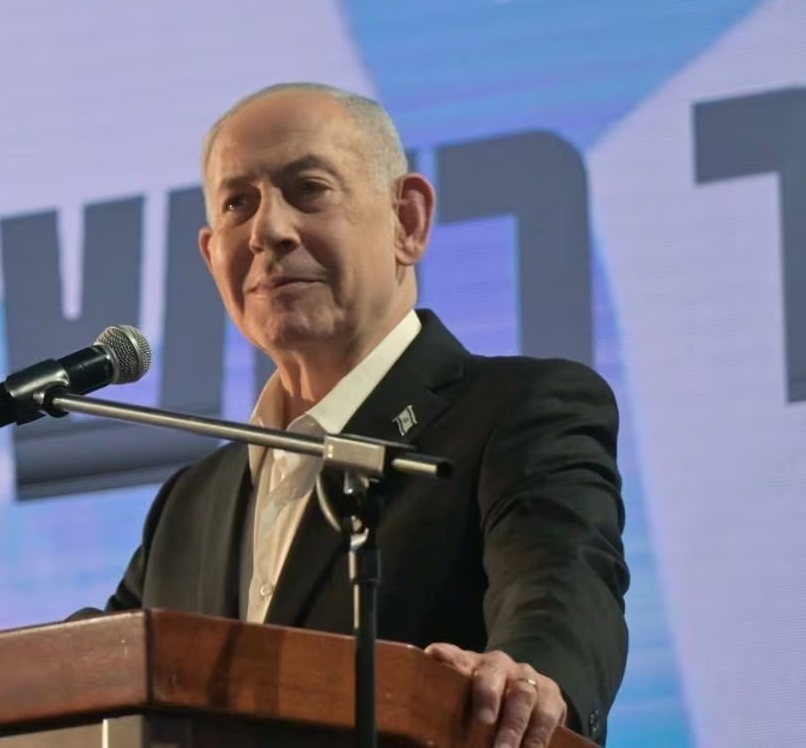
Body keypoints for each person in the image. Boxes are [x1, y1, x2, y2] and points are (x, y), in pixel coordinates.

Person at [88, 84, 627, 746]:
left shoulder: (519, 410)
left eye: (309, 189)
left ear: (407, 221)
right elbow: (89, 678)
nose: (267, 231)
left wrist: (533, 676)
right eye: (237, 203)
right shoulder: (190, 502)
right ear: (211, 255)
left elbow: (561, 581)